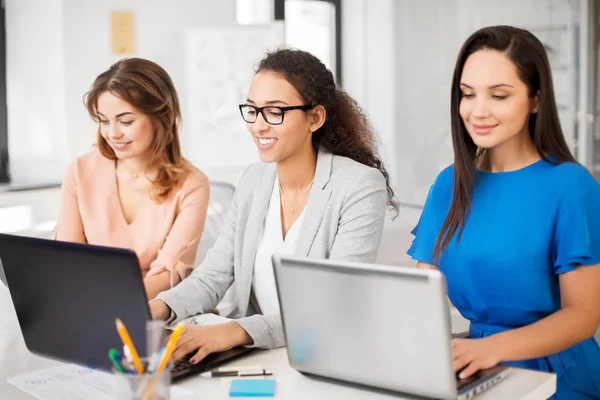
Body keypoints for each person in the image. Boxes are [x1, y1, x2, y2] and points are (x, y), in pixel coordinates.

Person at [150, 48, 398, 364]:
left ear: (315, 117)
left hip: (325, 358)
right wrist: (157, 308)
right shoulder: (254, 179)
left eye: (275, 112)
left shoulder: (359, 186)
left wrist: (237, 331)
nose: (258, 126)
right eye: (252, 110)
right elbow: (213, 275)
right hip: (257, 358)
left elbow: (333, 303)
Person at [408, 26, 600, 399]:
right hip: (473, 367)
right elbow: (420, 295)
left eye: (498, 95)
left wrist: (488, 350)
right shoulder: (450, 183)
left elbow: (583, 316)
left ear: (535, 100)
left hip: (554, 374)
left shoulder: (571, 187)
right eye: (467, 94)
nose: (478, 111)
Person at [55, 58, 209, 300]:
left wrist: (111, 304)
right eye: (103, 120)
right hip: (85, 303)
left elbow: (168, 276)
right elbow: (66, 260)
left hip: (153, 310)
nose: (113, 134)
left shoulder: (192, 184)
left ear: (161, 118)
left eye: (126, 121)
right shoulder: (80, 171)